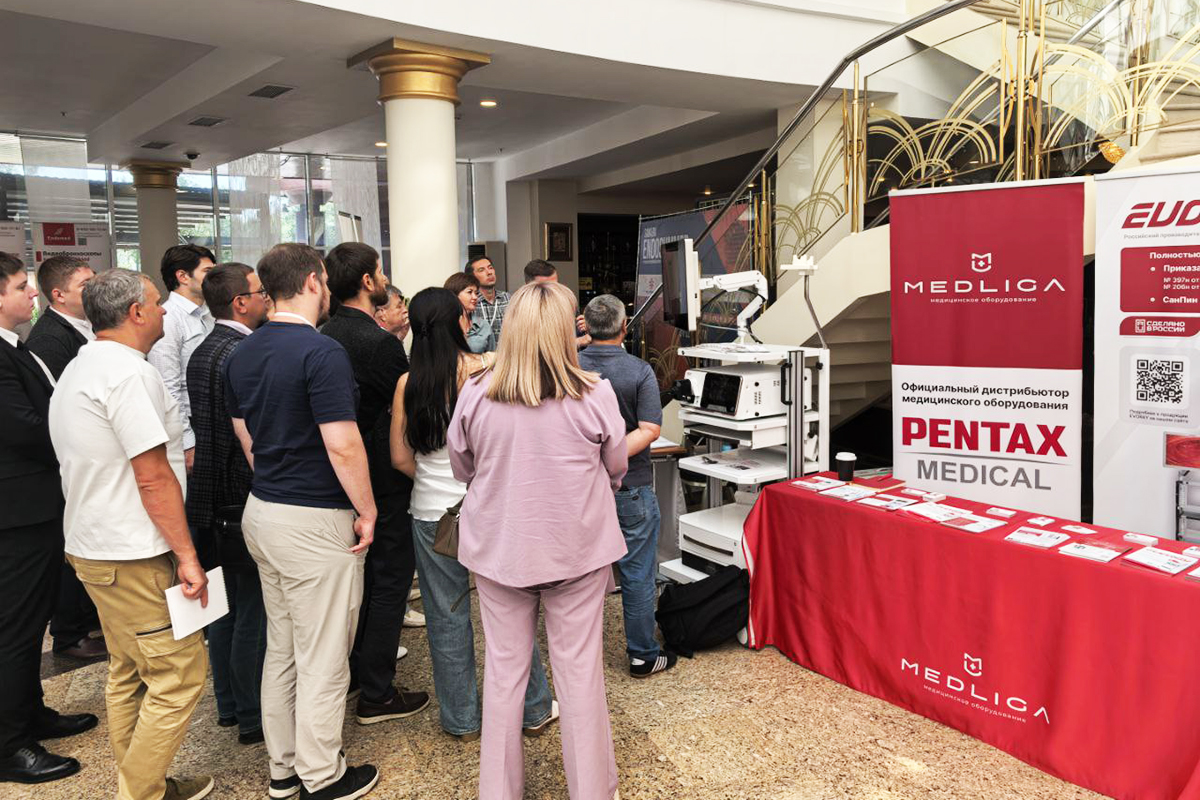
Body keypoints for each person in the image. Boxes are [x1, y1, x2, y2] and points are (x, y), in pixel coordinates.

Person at [448, 281, 628, 800]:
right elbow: (616, 466)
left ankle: (498, 792)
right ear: (565, 331)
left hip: (500, 548)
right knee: (580, 676)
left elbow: (463, 466)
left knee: (504, 675)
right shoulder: (595, 393)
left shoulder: (476, 392)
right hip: (577, 547)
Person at [48, 268, 212, 800]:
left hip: (94, 545)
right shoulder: (128, 374)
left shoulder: (82, 365)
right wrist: (187, 555)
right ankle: (138, 793)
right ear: (136, 313)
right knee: (179, 675)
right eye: (157, 302)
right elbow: (153, 475)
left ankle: (147, 785)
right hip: (132, 552)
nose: (164, 310)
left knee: (128, 671)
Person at [225, 243, 379, 800]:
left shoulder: (241, 352)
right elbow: (342, 444)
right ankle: (323, 775)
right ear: (314, 281)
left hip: (263, 511)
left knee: (284, 647)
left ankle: (284, 768)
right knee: (324, 655)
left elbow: (247, 440)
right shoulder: (321, 351)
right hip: (313, 518)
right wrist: (368, 510)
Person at [389, 287, 559, 743]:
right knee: (511, 613)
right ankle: (534, 709)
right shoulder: (489, 370)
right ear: (459, 323)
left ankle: (461, 720)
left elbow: (400, 458)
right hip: (490, 509)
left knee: (445, 616)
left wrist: (435, 479)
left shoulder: (408, 383)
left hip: (430, 514)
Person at [319, 242, 428, 726]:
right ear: (367, 281)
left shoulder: (326, 333)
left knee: (362, 584)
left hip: (341, 479)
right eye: (380, 272)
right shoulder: (377, 343)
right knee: (389, 582)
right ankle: (378, 693)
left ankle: (358, 673)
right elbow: (412, 406)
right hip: (382, 477)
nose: (384, 280)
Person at [0, 253, 98, 786]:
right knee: (15, 629)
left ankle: (30, 713)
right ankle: (9, 744)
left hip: (35, 508)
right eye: (20, 287)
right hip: (16, 514)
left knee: (29, 619)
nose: (31, 293)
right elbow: (26, 428)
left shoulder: (14, 346)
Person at [185, 263, 270, 745]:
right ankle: (253, 714)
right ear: (240, 302)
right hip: (240, 497)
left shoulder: (204, 349)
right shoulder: (244, 352)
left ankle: (228, 705)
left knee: (223, 609)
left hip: (211, 498)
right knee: (252, 610)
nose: (266, 299)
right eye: (259, 292)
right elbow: (247, 435)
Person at [579, 295, 677, 678]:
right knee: (637, 573)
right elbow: (650, 429)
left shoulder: (569, 367)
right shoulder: (638, 371)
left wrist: (592, 458)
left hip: (580, 489)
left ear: (586, 326)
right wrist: (612, 454)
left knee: (581, 574)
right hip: (631, 486)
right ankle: (642, 655)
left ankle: (580, 658)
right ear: (624, 328)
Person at [25, 254, 106, 660]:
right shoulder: (50, 339)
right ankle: (70, 632)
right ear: (58, 295)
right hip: (67, 462)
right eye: (85, 286)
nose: (94, 291)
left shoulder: (83, 328)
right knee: (69, 546)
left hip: (85, 459)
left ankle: (85, 621)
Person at [148, 244, 216, 476]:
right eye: (207, 271)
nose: (214, 277)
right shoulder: (168, 319)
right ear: (183, 276)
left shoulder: (208, 314)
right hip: (190, 424)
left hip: (211, 417)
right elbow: (169, 388)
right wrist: (187, 442)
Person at [523, 260, 591, 348]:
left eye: (555, 285)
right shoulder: (520, 313)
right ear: (528, 287)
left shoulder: (567, 304)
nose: (553, 291)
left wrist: (586, 328)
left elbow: (581, 336)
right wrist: (577, 342)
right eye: (545, 287)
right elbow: (533, 348)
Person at [444, 272, 494, 353]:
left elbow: (492, 356)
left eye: (476, 293)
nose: (475, 297)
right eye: (469, 292)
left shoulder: (483, 325)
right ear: (454, 294)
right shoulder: (442, 324)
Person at [466, 256, 507, 344]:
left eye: (490, 268)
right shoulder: (471, 302)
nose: (489, 272)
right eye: (481, 270)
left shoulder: (507, 298)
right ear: (472, 277)